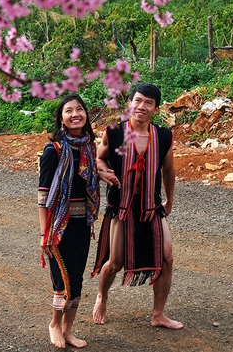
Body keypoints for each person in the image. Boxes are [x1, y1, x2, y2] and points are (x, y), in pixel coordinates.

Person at [91, 82, 183, 330]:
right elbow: (99, 158)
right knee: (116, 261)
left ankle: (158, 314)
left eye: (148, 103)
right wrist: (103, 172)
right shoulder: (114, 132)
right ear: (130, 103)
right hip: (122, 205)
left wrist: (170, 201)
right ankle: (103, 296)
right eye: (138, 100)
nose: (142, 106)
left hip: (151, 205)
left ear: (156, 108)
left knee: (167, 258)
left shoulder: (163, 136)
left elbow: (169, 170)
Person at [38, 94, 101, 348]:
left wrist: (105, 173)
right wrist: (44, 234)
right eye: (68, 110)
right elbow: (43, 197)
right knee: (63, 281)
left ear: (86, 114)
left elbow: (90, 174)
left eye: (79, 109)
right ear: (61, 118)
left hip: (82, 224)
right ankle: (54, 324)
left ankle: (68, 330)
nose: (75, 114)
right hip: (58, 227)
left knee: (77, 279)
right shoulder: (53, 150)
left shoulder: (88, 147)